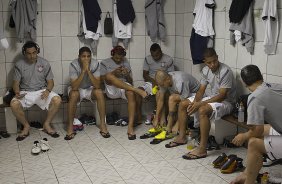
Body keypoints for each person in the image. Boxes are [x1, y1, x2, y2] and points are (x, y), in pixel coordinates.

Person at [176, 48, 236, 159]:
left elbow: (222, 95)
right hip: (213, 98)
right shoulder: (205, 70)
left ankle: (202, 149)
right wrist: (195, 102)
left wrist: (200, 105)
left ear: (217, 57)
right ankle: (181, 137)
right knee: (183, 104)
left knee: (203, 109)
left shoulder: (225, 71)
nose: (212, 64)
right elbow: (201, 90)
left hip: (227, 102)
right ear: (205, 61)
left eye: (214, 61)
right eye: (209, 62)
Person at [230, 65, 282, 184]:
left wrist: (243, 136)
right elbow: (260, 129)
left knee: (253, 143)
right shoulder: (274, 86)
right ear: (261, 76)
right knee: (263, 130)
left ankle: (248, 180)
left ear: (244, 83)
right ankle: (246, 174)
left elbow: (256, 130)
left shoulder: (254, 98)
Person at [10, 41, 62, 141]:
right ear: (24, 53)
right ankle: (26, 126)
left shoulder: (44, 63)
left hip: (41, 91)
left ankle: (46, 124)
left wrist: (47, 91)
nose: (32, 56)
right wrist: (17, 92)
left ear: (37, 51)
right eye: (29, 53)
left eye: (34, 53)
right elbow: (16, 83)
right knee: (14, 104)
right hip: (25, 92)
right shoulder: (19, 64)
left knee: (57, 100)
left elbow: (50, 82)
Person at [100, 45, 147, 140]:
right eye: (116, 57)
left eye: (120, 58)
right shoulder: (105, 62)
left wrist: (127, 75)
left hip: (123, 87)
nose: (118, 60)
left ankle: (130, 127)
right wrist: (114, 73)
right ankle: (136, 90)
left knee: (130, 93)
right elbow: (101, 79)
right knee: (109, 76)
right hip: (111, 89)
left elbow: (130, 81)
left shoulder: (125, 62)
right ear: (112, 54)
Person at [65, 47, 109, 140]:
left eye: (88, 56)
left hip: (89, 88)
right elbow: (74, 87)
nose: (86, 59)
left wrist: (88, 71)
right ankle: (70, 127)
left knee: (99, 92)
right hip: (77, 88)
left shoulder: (95, 64)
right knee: (73, 94)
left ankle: (103, 124)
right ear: (79, 57)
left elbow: (97, 85)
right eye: (83, 56)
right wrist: (83, 71)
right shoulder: (73, 64)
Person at [151, 70, 200, 142]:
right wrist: (157, 118)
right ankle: (169, 127)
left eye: (162, 85)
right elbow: (161, 100)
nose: (162, 86)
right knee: (166, 96)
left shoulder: (180, 81)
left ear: (167, 79)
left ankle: (171, 127)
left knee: (173, 99)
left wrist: (178, 124)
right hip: (185, 94)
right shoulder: (164, 80)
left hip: (197, 95)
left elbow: (184, 104)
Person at [135, 43, 174, 125]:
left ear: (161, 51)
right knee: (139, 91)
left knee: (162, 94)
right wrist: (153, 82)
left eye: (157, 55)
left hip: (164, 84)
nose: (155, 57)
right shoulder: (147, 59)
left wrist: (161, 84)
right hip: (151, 82)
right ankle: (138, 117)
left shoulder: (168, 59)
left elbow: (171, 75)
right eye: (153, 55)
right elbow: (145, 74)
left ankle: (163, 119)